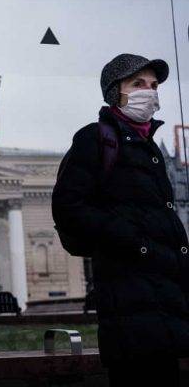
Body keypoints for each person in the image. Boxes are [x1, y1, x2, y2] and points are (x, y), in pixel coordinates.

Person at [52, 53, 189, 387]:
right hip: (129, 306)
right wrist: (134, 243)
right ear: (116, 92)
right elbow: (69, 209)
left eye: (153, 86)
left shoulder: (148, 147)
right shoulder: (96, 139)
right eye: (138, 83)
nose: (149, 92)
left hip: (164, 306)